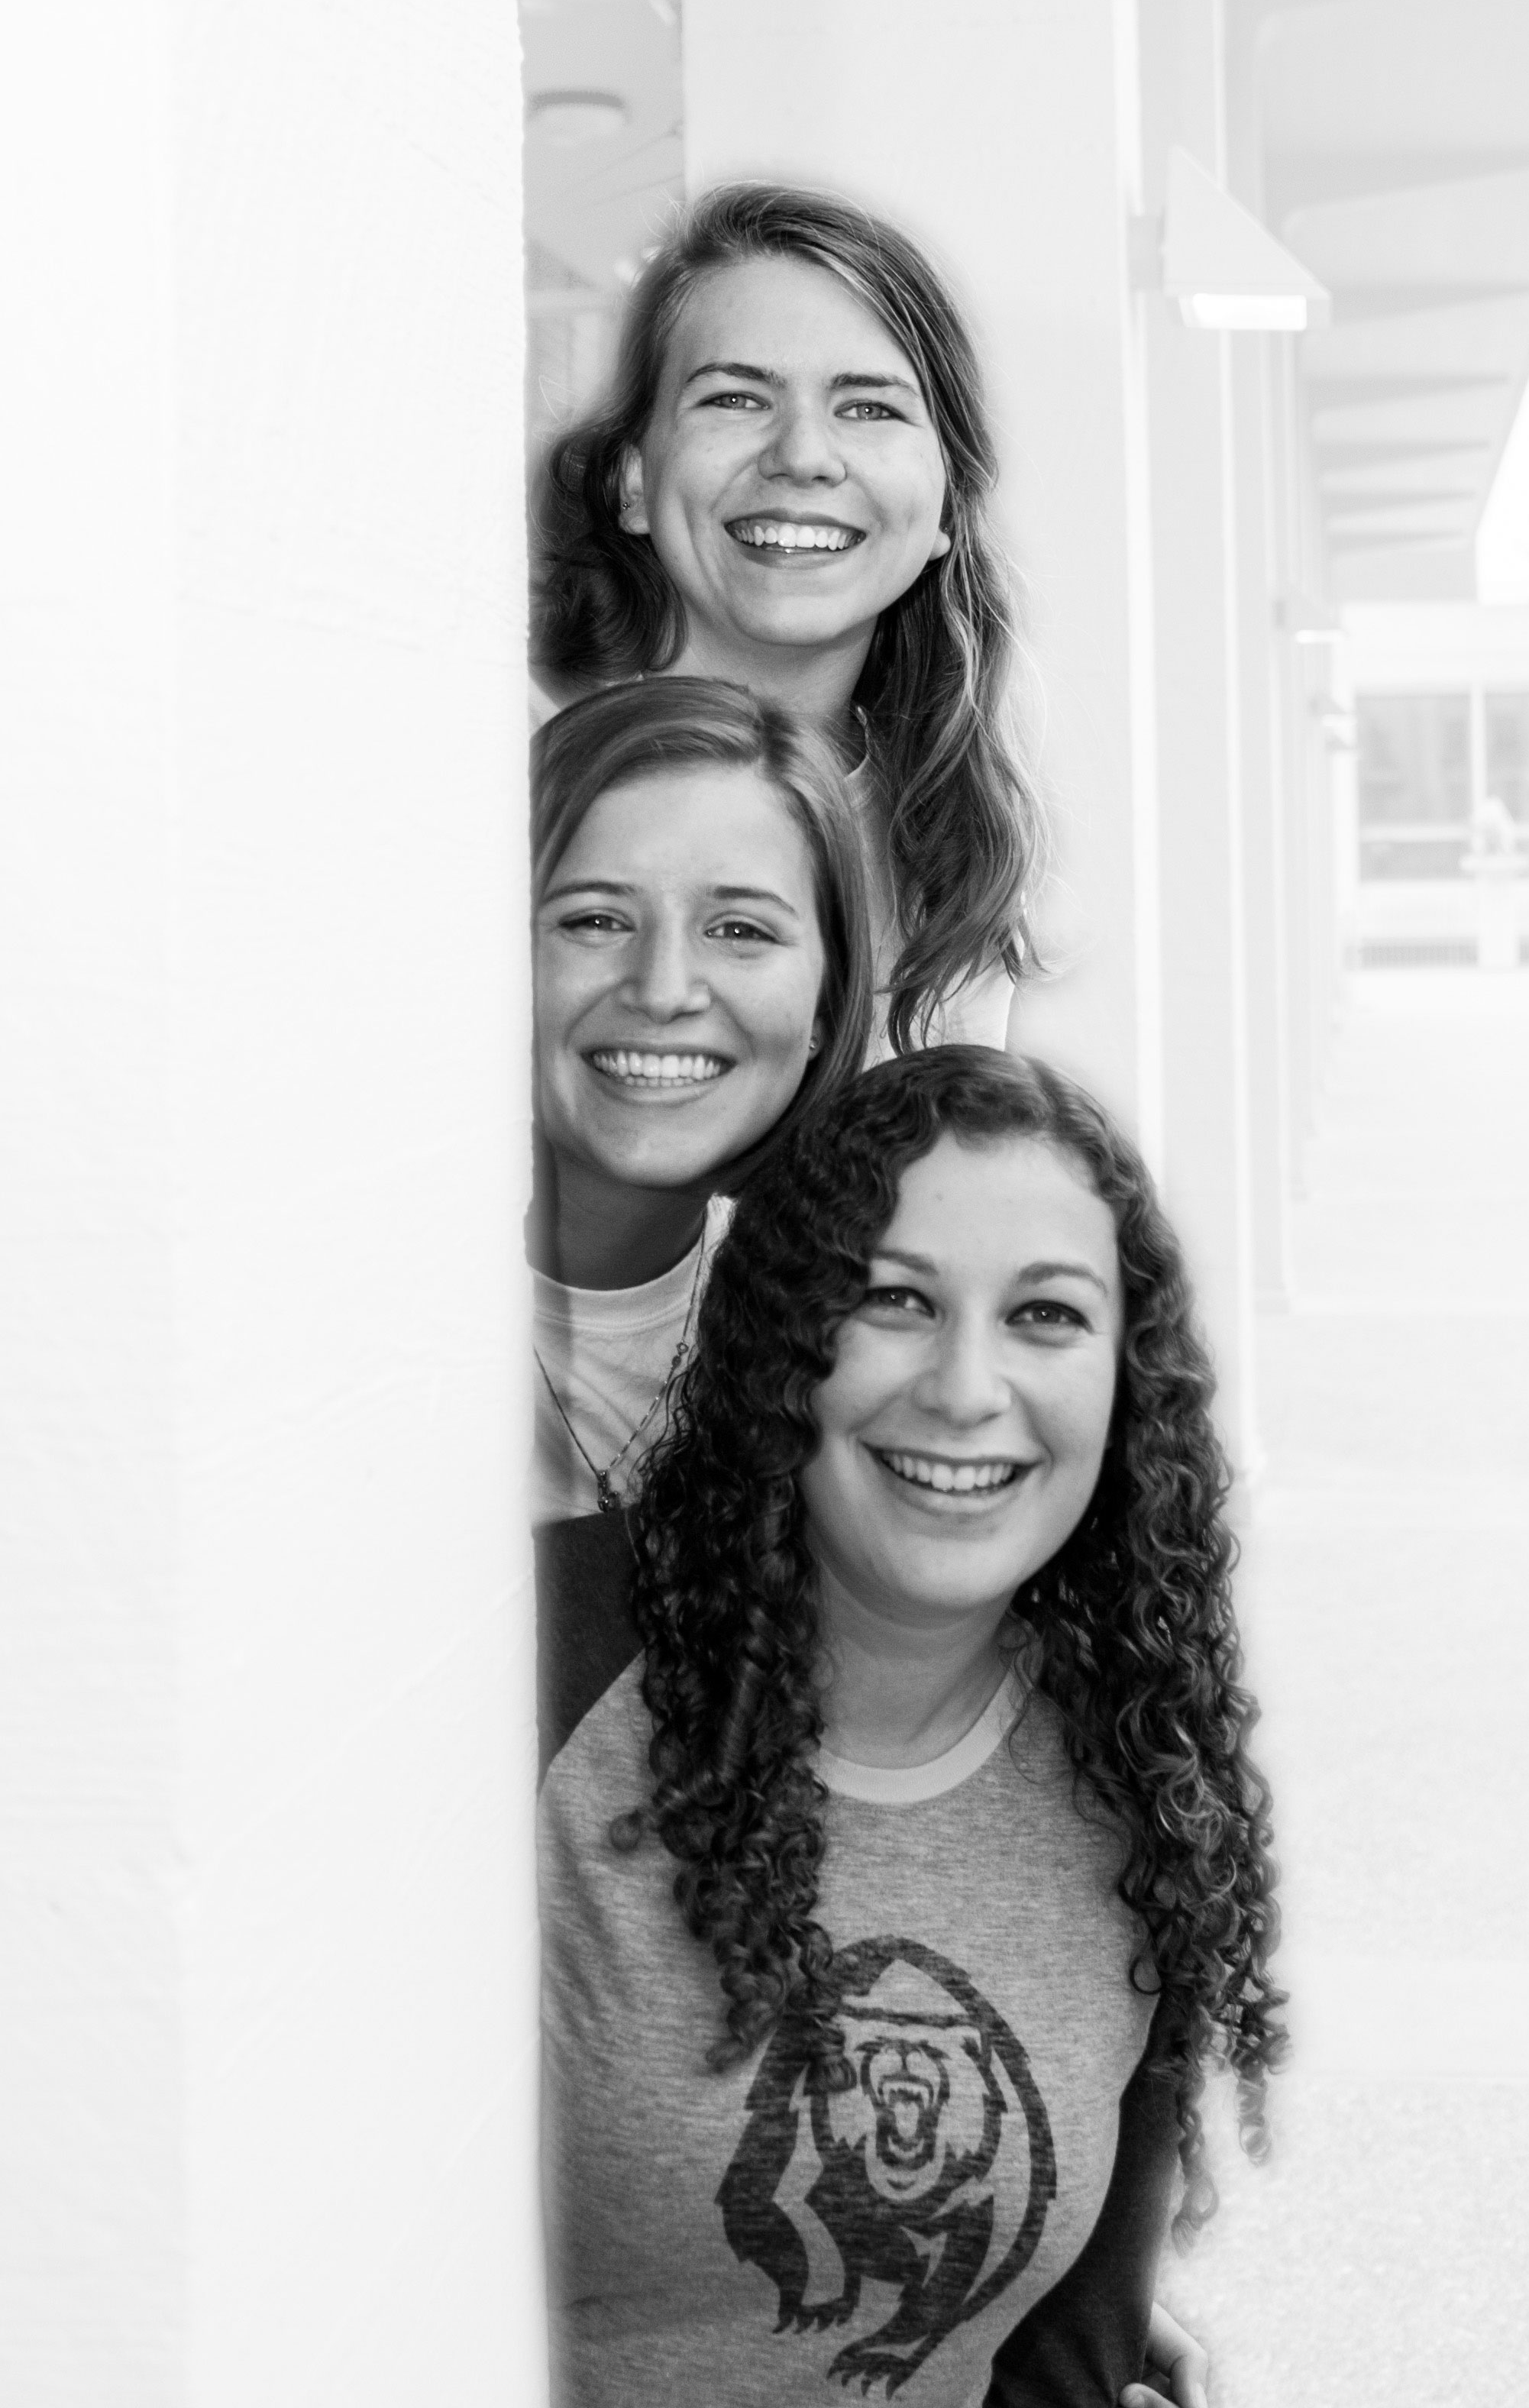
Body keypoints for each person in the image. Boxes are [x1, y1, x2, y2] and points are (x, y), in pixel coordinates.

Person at [539, 1048, 1282, 2406]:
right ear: (780, 1340)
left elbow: (1062, 2350)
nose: (963, 1386)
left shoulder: (1140, 1782)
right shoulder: (537, 1674)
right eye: (894, 1297)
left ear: (1127, 1384)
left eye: (1046, 1315)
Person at [532, 180, 1040, 1055]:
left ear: (945, 507)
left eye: (869, 407)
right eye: (735, 398)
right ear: (632, 482)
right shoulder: (516, 802)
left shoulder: (954, 851)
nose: (803, 455)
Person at [530, 677, 872, 1540]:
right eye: (596, 919)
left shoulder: (856, 1335)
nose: (663, 990)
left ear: (826, 1005)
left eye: (741, 930)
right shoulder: (359, 1306)